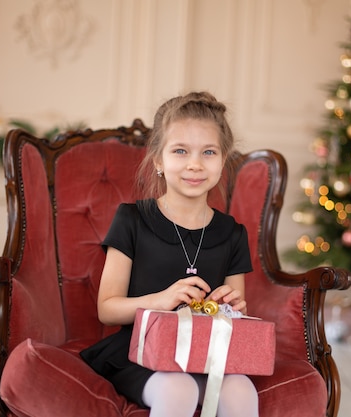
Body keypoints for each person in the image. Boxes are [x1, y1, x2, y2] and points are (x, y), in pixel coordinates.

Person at [80, 91, 259, 417]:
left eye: (208, 152)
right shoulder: (132, 219)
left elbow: (232, 323)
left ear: (223, 159)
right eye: (180, 151)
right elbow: (107, 309)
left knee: (241, 391)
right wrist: (161, 300)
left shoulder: (233, 234)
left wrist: (234, 310)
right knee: (179, 388)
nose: (195, 164)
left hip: (203, 354)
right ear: (158, 160)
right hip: (140, 351)